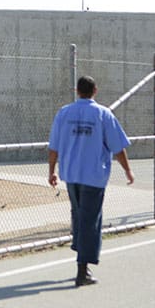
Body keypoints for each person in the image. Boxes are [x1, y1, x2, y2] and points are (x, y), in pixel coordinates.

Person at [47, 75, 135, 287]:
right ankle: (82, 268)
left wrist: (52, 171)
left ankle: (81, 254)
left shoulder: (64, 113)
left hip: (71, 174)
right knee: (90, 220)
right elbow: (117, 147)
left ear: (77, 90)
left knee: (79, 215)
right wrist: (128, 170)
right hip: (93, 175)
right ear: (95, 90)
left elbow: (54, 146)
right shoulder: (103, 114)